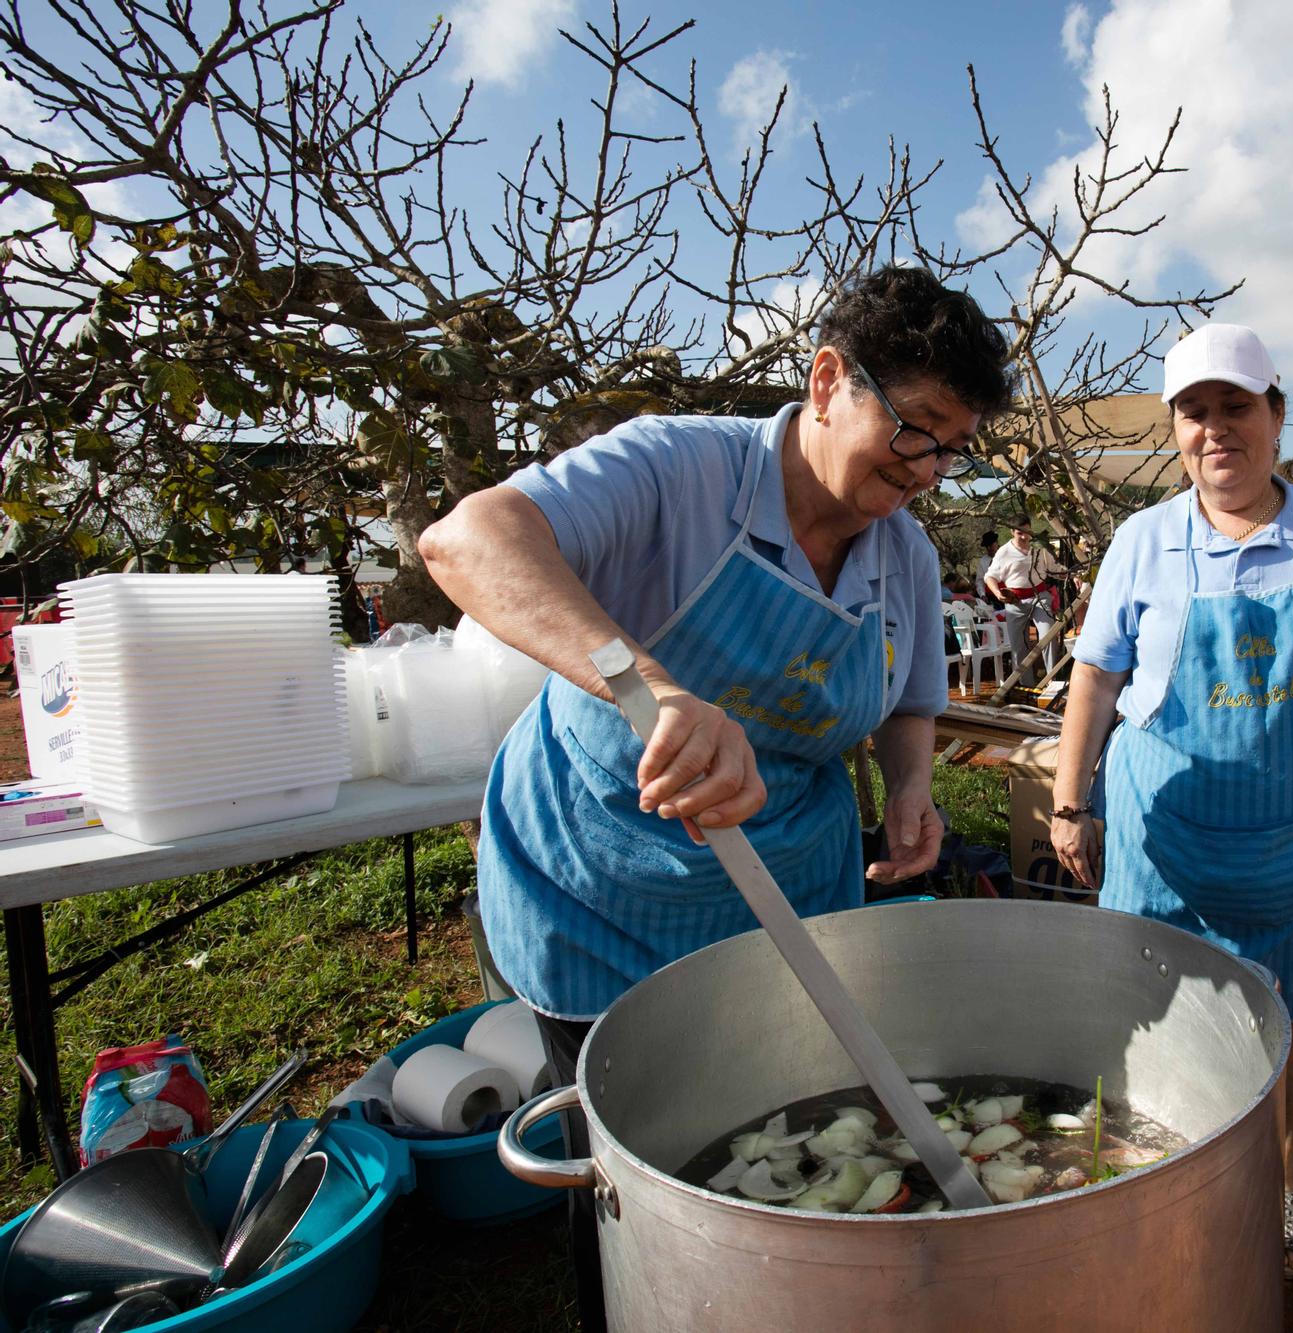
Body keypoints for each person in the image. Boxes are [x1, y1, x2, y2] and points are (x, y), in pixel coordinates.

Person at [418, 265, 1013, 1328]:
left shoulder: (905, 554)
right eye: (916, 428)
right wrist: (649, 685)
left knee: (786, 1136)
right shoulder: (676, 465)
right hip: (602, 888)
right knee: (631, 1181)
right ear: (829, 379)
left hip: (787, 895)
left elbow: (908, 703)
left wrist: (912, 787)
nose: (928, 470)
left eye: (952, 449)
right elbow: (468, 539)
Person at [1048, 322, 1293, 1280]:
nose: (1216, 429)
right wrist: (1067, 801)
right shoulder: (1144, 540)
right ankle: (1152, 1177)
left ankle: (1282, 1181)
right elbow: (1094, 678)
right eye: (1195, 412)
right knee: (1148, 1011)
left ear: (1277, 414)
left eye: (1236, 407)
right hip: (1164, 837)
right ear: (1176, 429)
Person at [984, 521, 1059, 676]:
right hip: (1014, 601)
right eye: (1020, 533)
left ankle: (1053, 679)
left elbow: (1055, 570)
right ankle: (1027, 685)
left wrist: (1075, 575)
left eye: (1027, 531)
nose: (1025, 536)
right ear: (1012, 531)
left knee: (1048, 635)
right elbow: (990, 576)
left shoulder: (1039, 547)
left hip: (1040, 597)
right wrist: (998, 594)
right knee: (1018, 645)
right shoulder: (1004, 551)